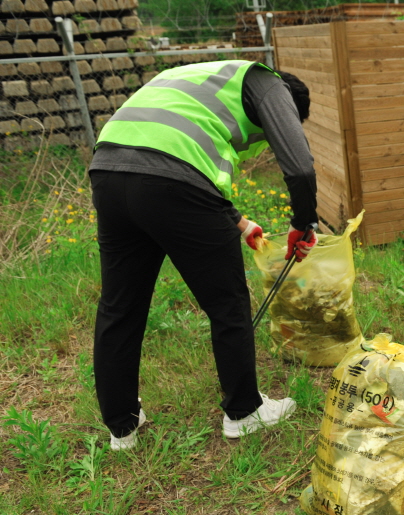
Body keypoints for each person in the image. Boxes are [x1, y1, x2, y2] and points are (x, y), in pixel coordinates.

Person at [90, 60, 319, 450]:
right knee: (227, 303)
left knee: (119, 307)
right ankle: (244, 413)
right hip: (170, 180)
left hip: (108, 171)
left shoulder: (196, 79)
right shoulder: (268, 83)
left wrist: (240, 222)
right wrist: (304, 222)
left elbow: (168, 148)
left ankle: (122, 426)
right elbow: (300, 169)